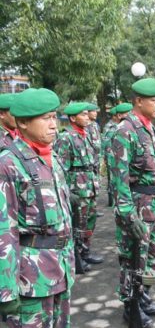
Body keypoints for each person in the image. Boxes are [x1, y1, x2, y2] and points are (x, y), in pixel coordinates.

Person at [0, 88, 75, 327]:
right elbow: (4, 232)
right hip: (30, 279)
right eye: (45, 118)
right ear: (22, 122)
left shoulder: (52, 158)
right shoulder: (9, 165)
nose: (53, 124)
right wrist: (6, 291)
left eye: (54, 117)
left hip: (60, 268)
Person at [109, 78, 155, 326]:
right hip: (137, 209)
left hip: (153, 207)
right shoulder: (125, 131)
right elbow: (119, 179)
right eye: (153, 100)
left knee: (152, 259)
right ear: (138, 101)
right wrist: (128, 216)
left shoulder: (149, 128)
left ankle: (144, 295)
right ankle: (130, 306)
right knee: (133, 261)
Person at [53, 102, 104, 272]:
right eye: (83, 115)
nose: (87, 117)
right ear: (73, 118)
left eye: (87, 114)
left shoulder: (85, 134)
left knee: (89, 223)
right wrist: (67, 191)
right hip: (77, 189)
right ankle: (75, 257)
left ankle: (85, 252)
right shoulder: (65, 138)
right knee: (77, 225)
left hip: (89, 186)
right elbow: (60, 169)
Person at [102, 103, 133, 207]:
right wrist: (107, 159)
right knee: (114, 180)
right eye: (127, 113)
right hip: (113, 157)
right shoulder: (110, 127)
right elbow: (106, 144)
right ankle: (115, 199)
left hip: (123, 157)